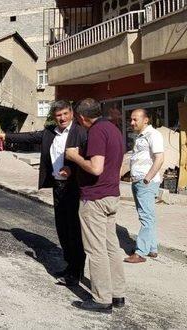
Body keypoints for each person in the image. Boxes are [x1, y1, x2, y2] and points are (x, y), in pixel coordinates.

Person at [0, 100, 87, 286]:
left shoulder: (80, 132)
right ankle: (70, 266)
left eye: (65, 114)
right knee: (62, 228)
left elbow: (87, 157)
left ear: (71, 113)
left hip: (74, 187)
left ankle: (76, 271)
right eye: (58, 115)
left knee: (74, 231)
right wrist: (6, 136)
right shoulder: (50, 132)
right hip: (58, 186)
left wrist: (73, 169)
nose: (62, 118)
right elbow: (30, 137)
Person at [65, 98, 126, 313]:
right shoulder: (113, 129)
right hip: (111, 195)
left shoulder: (97, 132)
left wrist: (75, 157)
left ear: (81, 117)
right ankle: (117, 294)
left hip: (95, 198)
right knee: (111, 247)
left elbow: (96, 167)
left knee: (95, 249)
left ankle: (101, 299)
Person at [124, 109, 165, 263]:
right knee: (149, 216)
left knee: (145, 217)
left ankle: (140, 252)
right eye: (131, 119)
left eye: (135, 119)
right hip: (139, 181)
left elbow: (159, 158)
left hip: (145, 182)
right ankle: (152, 248)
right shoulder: (142, 136)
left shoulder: (153, 134)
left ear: (146, 120)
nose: (132, 122)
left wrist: (147, 179)